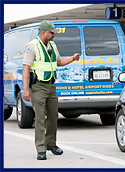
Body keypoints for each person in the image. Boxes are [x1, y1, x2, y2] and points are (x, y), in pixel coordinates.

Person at [22, 20, 80, 160]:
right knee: (40, 118)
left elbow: (59, 63)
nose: (54, 34)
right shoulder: (32, 46)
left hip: (51, 86)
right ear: (43, 32)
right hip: (38, 87)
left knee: (53, 117)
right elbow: (26, 68)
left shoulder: (53, 45)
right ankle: (41, 149)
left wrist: (72, 58)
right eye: (51, 32)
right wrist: (25, 90)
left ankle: (51, 144)